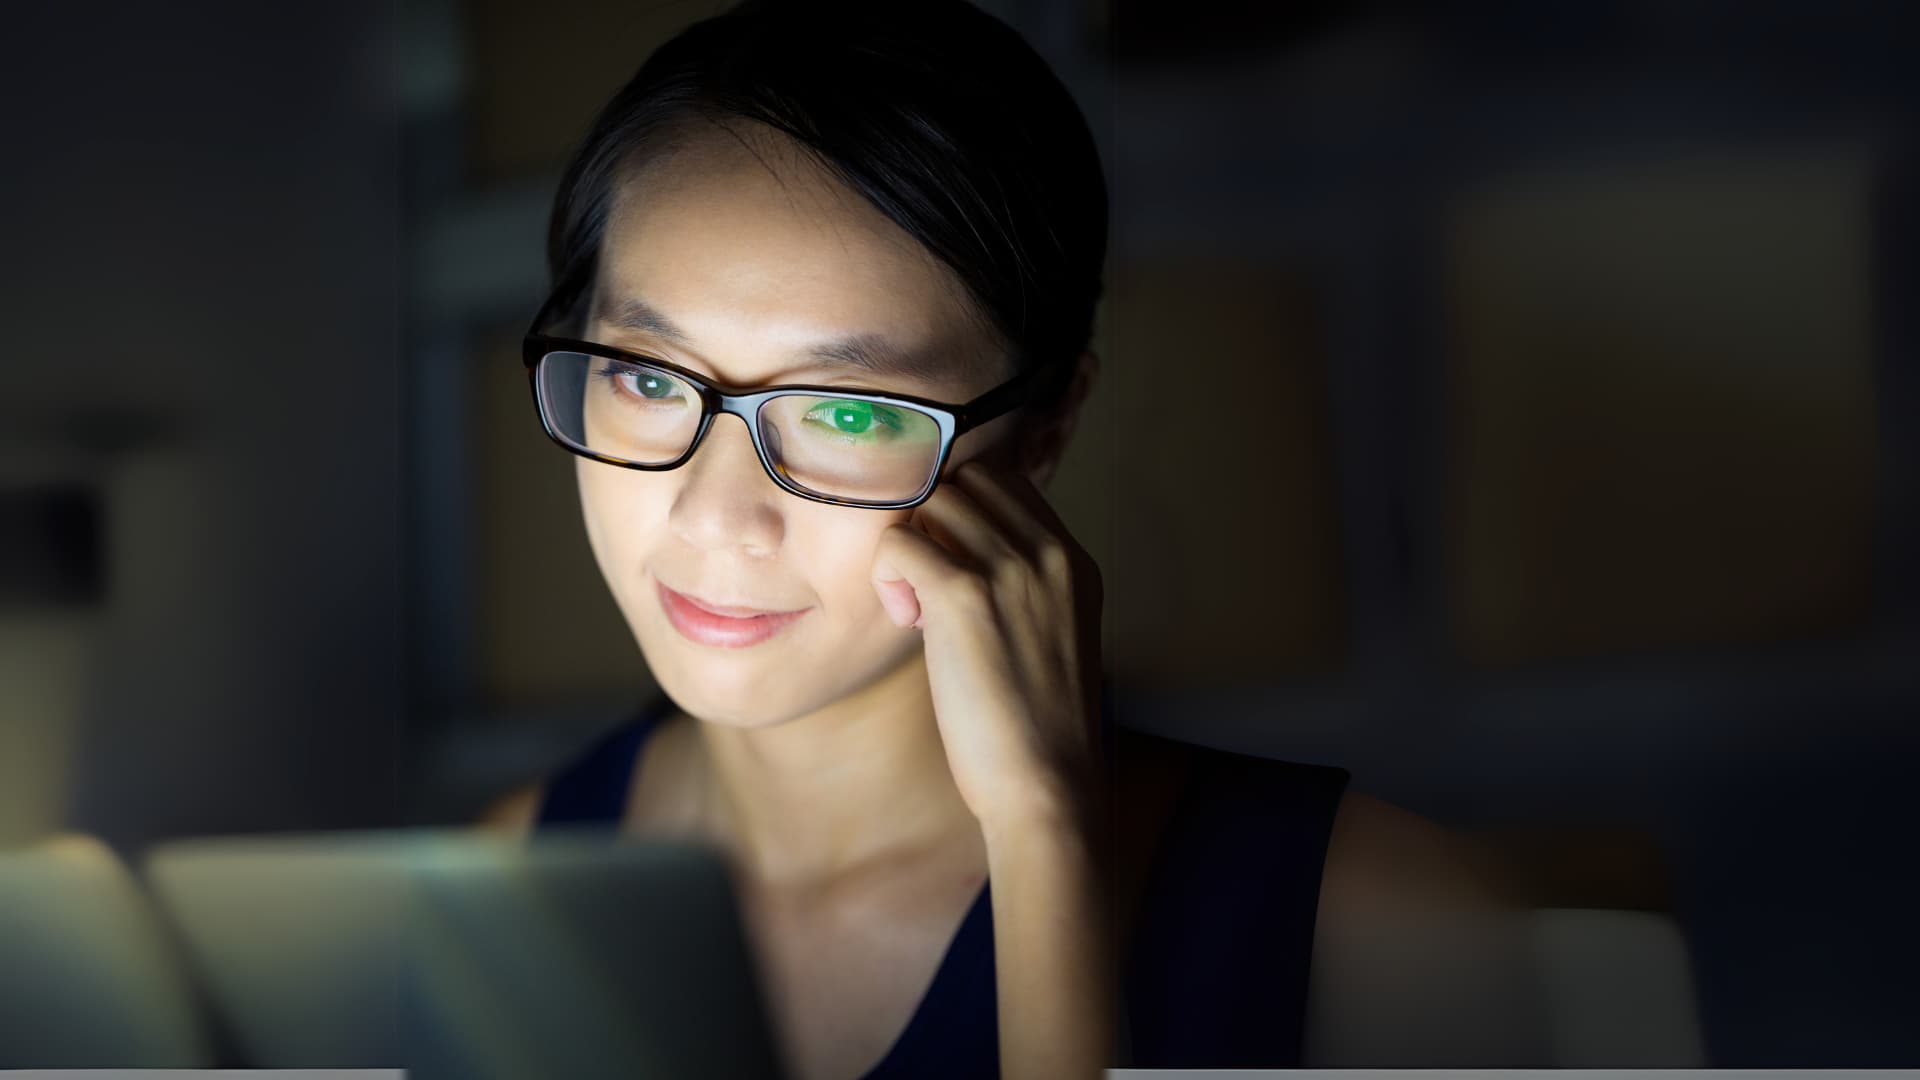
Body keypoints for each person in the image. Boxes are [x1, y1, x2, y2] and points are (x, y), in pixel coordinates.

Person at [481, 2, 1525, 1077]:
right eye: (648, 378)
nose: (714, 514)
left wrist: (1043, 838)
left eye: (848, 412)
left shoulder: (1373, 928)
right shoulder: (491, 905)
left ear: (1046, 429)